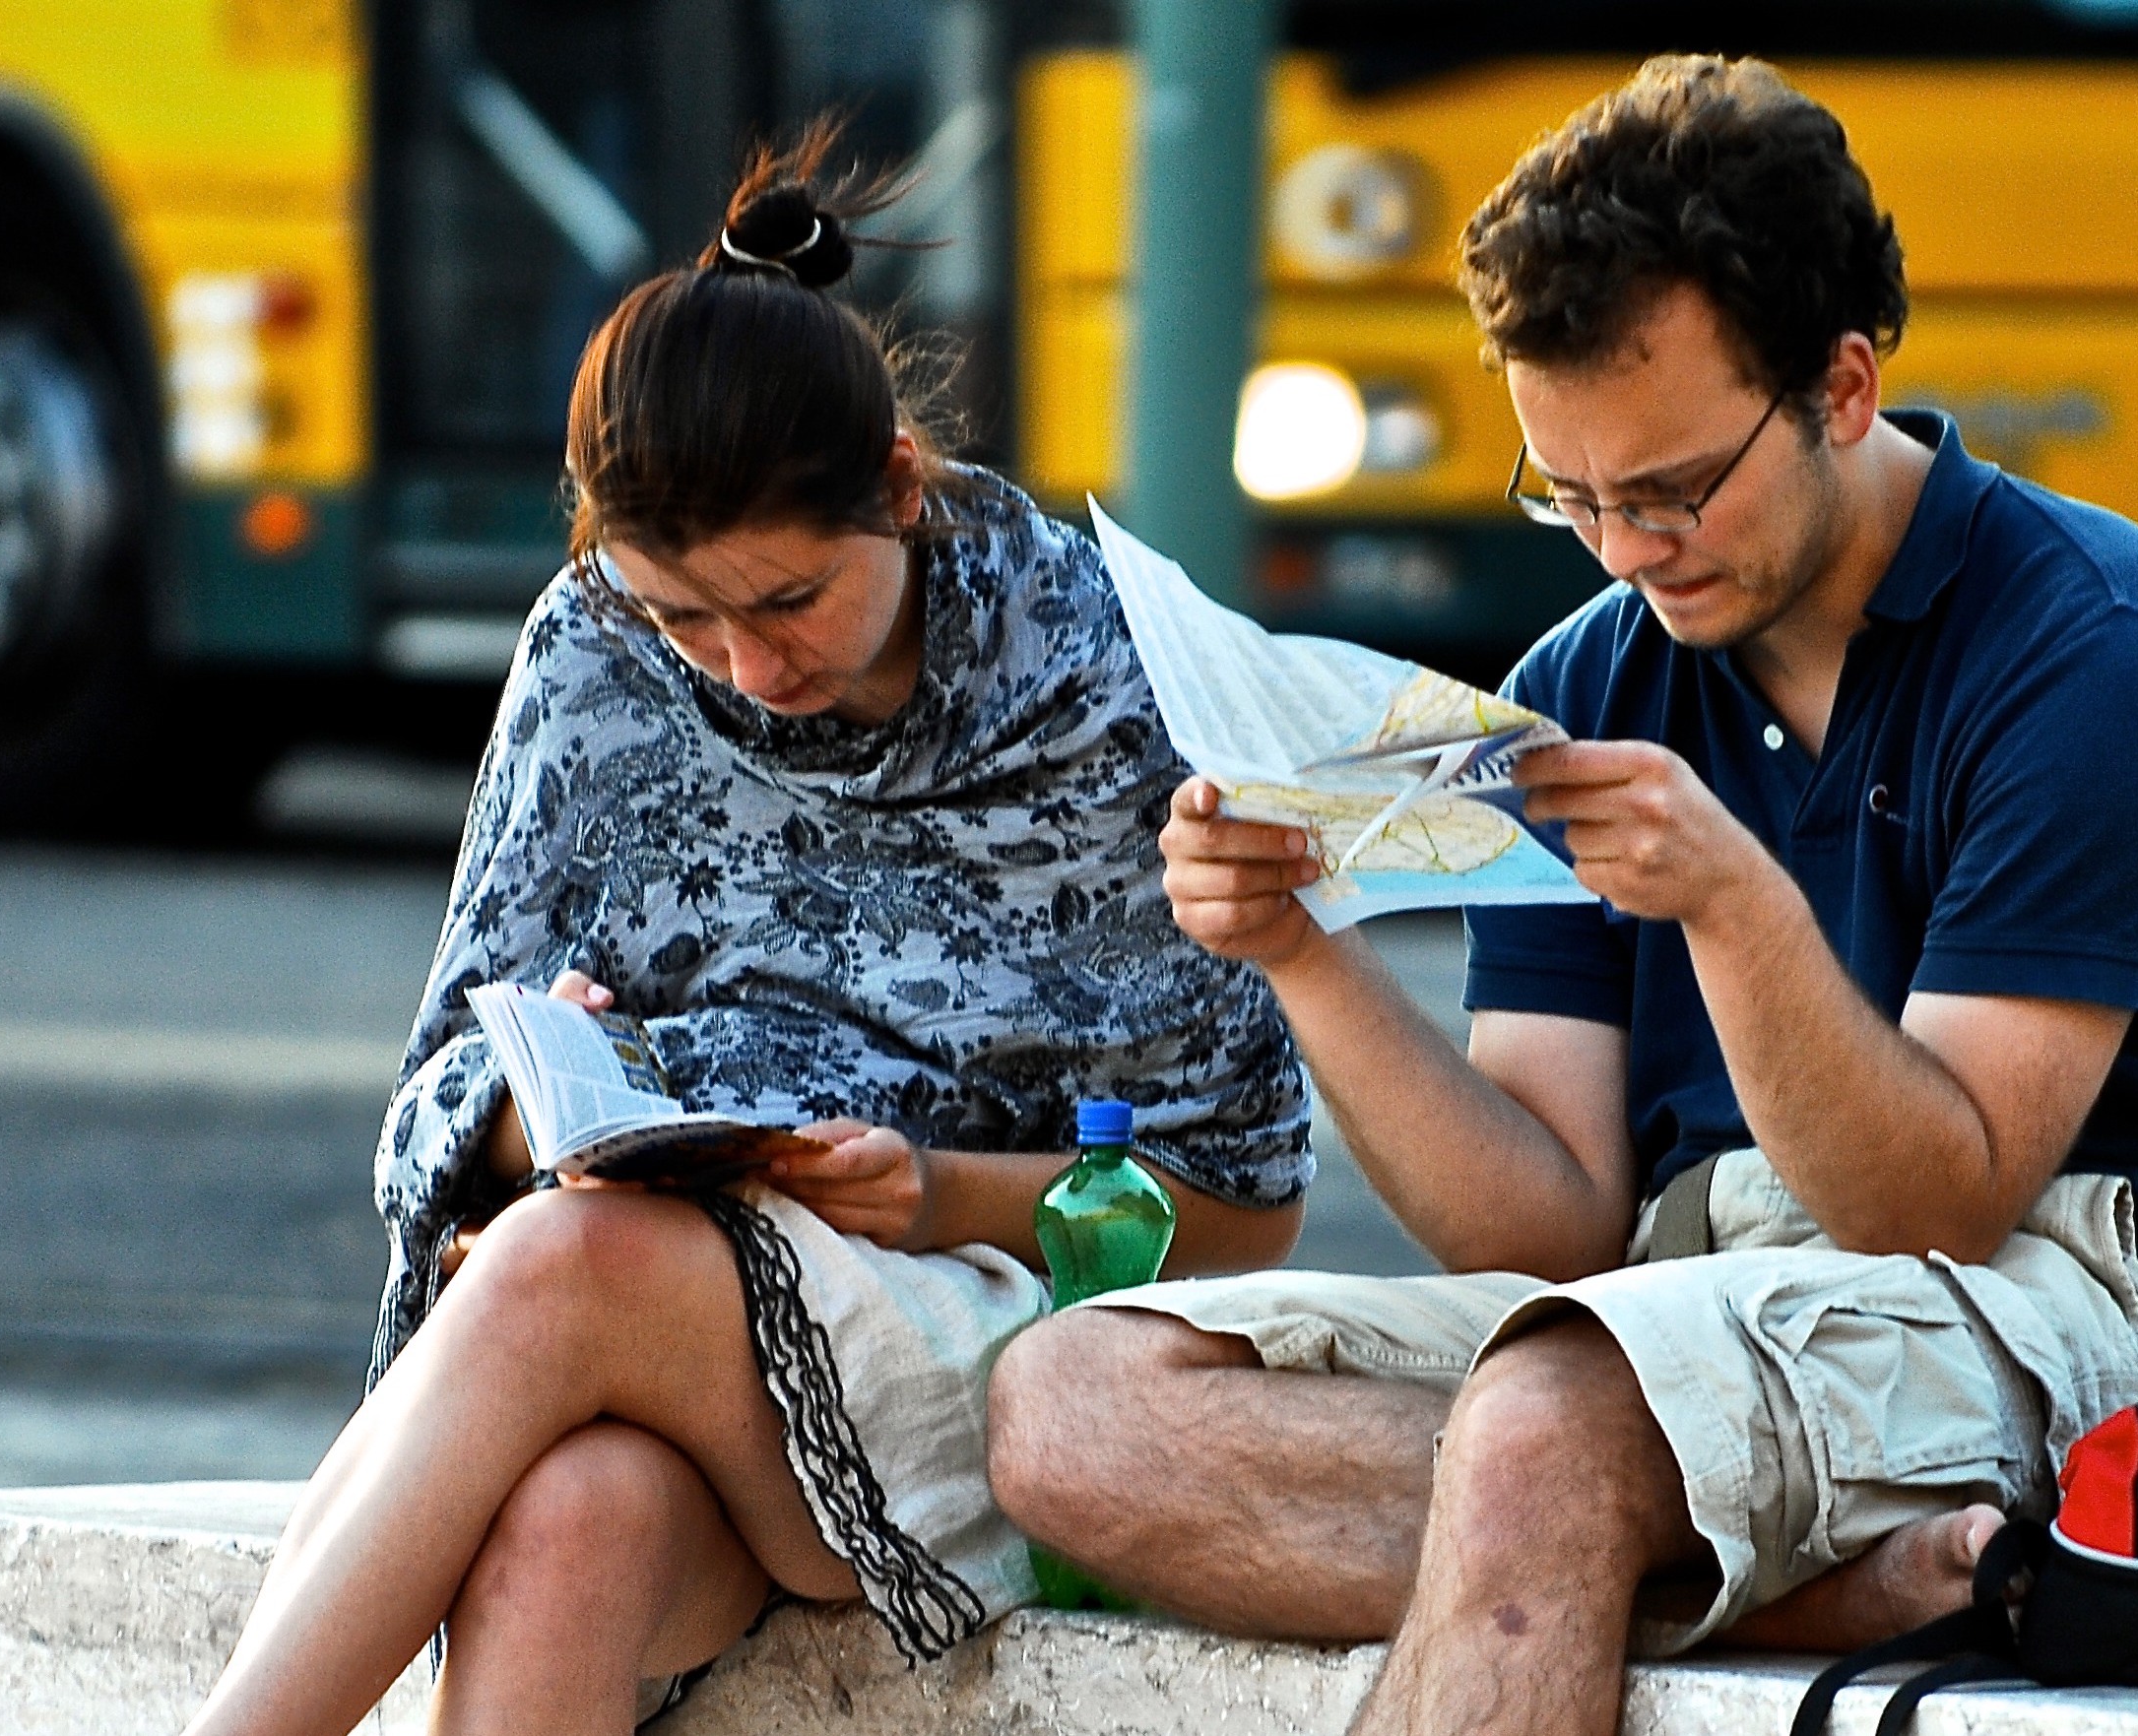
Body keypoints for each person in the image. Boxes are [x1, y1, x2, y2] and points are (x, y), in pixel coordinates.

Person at [988, 54, 2138, 1736]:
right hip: (1681, 1299)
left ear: (1844, 385)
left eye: (1676, 488)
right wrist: (1296, 948)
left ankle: (1676, 1526)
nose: (1630, 549)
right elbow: (1545, 1225)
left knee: (1550, 1426)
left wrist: (1731, 903)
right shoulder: (1590, 675)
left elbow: (1941, 1201)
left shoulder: (2098, 656)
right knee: (1073, 1404)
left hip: (2088, 1307)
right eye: (1573, 497)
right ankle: (1805, 1581)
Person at [181, 129, 1310, 1736]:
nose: (739, 666)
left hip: (990, 1372)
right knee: (564, 1530)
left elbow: (1245, 1214)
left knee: (564, 1270)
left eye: (785, 605)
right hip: (673, 1375)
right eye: (678, 616)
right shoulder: (587, 649)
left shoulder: (1110, 684)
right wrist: (526, 1108)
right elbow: (434, 1094)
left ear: (903, 495)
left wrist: (934, 1197)